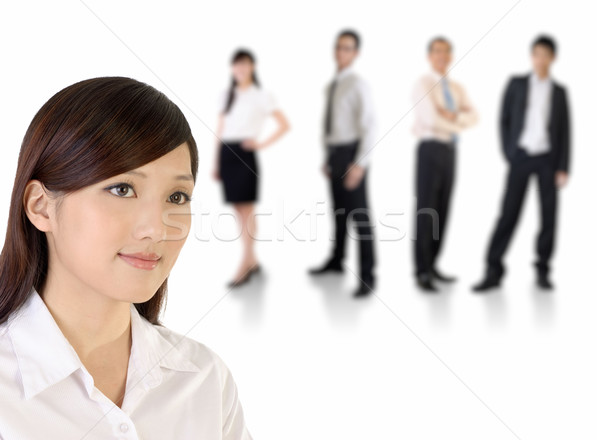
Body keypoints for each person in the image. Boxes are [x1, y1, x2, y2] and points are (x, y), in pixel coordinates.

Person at [0, 77, 252, 439]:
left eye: (177, 197)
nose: (156, 228)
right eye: (122, 189)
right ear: (41, 207)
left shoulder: (206, 381)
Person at [473, 35, 570, 292]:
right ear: (532, 56)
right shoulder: (516, 83)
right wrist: (509, 152)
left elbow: (565, 131)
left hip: (548, 159)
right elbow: (503, 119)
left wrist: (563, 167)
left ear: (553, 58)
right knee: (508, 213)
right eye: (536, 54)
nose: (540, 59)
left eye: (545, 55)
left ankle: (543, 271)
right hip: (521, 156)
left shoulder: (560, 92)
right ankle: (493, 270)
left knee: (548, 217)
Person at [309, 29, 377, 298]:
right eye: (339, 47)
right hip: (336, 153)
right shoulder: (333, 84)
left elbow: (370, 126)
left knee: (360, 217)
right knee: (338, 213)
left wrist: (359, 164)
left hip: (352, 153)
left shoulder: (358, 84)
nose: (341, 52)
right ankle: (337, 261)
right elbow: (334, 124)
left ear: (356, 53)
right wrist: (328, 157)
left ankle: (368, 276)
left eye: (347, 48)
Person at [213, 49, 290, 288]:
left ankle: (244, 264)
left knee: (247, 210)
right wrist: (216, 162)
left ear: (252, 67)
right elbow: (221, 128)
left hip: (246, 154)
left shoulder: (262, 95)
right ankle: (253, 261)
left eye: (244, 65)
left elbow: (284, 125)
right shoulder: (227, 94)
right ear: (232, 68)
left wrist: (260, 143)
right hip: (227, 153)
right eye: (236, 65)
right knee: (238, 210)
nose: (240, 69)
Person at [411, 36, 478, 292]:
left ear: (451, 57)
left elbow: (476, 117)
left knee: (443, 210)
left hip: (451, 151)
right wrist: (459, 120)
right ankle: (421, 271)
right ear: (429, 56)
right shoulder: (422, 84)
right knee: (426, 211)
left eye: (446, 52)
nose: (442, 56)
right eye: (437, 51)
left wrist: (452, 116)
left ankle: (433, 264)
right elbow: (430, 119)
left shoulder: (457, 88)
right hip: (430, 149)